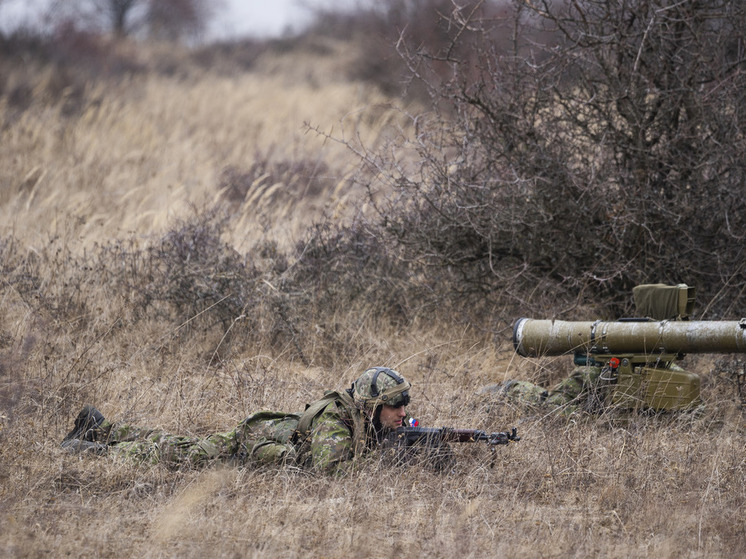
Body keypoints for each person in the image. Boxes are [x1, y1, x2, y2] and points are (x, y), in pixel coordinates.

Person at [61, 366, 415, 474]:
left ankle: (101, 427)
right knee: (182, 455)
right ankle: (94, 451)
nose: (403, 413)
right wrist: (387, 458)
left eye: (404, 405)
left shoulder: (368, 420)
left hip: (270, 436)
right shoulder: (336, 423)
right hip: (255, 438)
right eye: (395, 406)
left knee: (181, 444)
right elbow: (330, 472)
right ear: (371, 407)